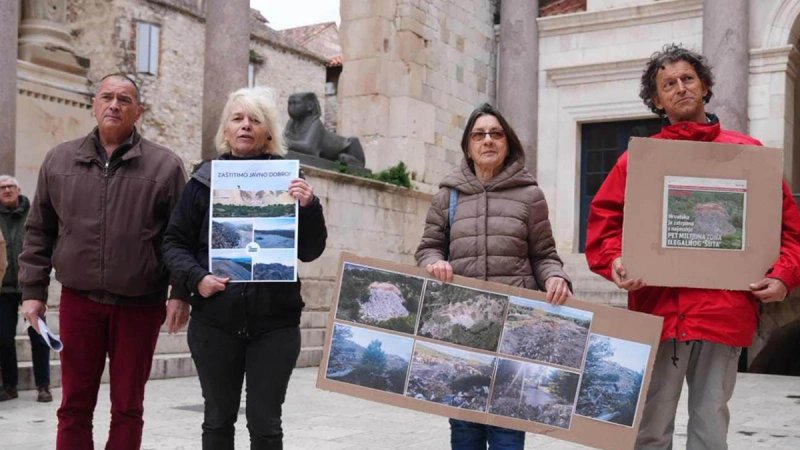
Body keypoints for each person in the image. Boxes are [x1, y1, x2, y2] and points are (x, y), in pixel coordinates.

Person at [585, 44, 800, 450]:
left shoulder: (748, 155)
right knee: (651, 426)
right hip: (660, 311)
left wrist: (784, 277)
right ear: (656, 99)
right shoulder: (636, 162)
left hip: (724, 314)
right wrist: (614, 261)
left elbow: (791, 231)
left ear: (704, 87)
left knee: (710, 427)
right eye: (668, 84)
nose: (680, 88)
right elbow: (604, 225)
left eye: (687, 79)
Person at [18, 73, 189, 450]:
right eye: (107, 97)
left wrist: (181, 292)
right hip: (80, 302)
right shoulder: (59, 160)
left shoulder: (166, 167)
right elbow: (38, 231)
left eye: (124, 99)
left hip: (140, 305)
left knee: (128, 406)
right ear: (94, 105)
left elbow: (181, 237)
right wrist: (32, 291)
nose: (114, 104)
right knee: (74, 405)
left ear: (138, 111)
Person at [162, 86, 327, 450]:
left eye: (255, 120)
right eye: (238, 119)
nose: (245, 126)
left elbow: (311, 251)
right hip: (215, 321)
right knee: (217, 420)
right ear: (226, 130)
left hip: (275, 324)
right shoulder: (203, 181)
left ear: (269, 132)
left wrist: (309, 207)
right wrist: (196, 279)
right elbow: (174, 242)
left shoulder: (290, 182)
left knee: (266, 424)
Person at [416, 103, 572, 450]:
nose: (488, 140)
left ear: (508, 143)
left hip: (513, 334)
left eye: (496, 134)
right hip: (464, 331)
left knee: (506, 433)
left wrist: (556, 278)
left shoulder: (530, 196)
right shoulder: (448, 196)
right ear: (468, 146)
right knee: (465, 430)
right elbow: (427, 248)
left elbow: (544, 255)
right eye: (479, 134)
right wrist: (434, 263)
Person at [0, 175, 51, 403]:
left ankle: (43, 386)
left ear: (19, 189)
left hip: (30, 285)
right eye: (2, 187)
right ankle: (10, 386)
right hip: (3, 288)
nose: (7, 190)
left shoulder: (33, 214)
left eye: (11, 186)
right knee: (3, 338)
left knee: (39, 336)